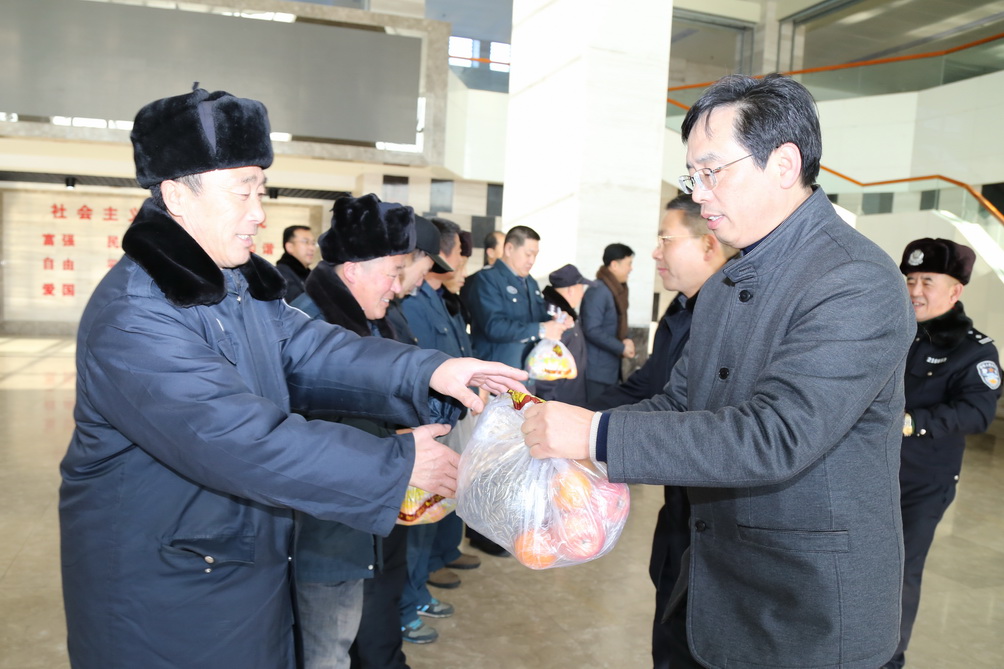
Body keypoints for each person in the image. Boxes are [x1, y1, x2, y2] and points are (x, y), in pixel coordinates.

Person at [58, 87, 527, 669]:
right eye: (242, 191)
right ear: (177, 194)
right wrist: (395, 464)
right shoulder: (135, 316)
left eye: (261, 190)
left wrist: (433, 370)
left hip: (236, 567)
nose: (259, 212)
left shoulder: (234, 287)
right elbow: (239, 441)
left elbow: (312, 349)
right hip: (164, 596)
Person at [521, 73, 915, 669]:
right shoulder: (728, 282)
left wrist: (595, 436)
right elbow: (680, 403)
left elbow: (775, 436)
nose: (699, 194)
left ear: (784, 164)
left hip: (806, 606)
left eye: (712, 172)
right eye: (692, 176)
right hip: (718, 579)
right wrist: (570, 435)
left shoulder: (854, 280)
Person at [586, 194, 735, 669]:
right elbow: (648, 388)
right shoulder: (682, 310)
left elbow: (705, 425)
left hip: (719, 524)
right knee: (668, 632)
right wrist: (570, 416)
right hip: (678, 514)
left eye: (665, 240)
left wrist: (591, 434)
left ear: (708, 244)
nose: (654, 253)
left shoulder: (735, 317)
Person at [882, 238, 1001, 669]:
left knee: (900, 571)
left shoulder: (974, 349)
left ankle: (888, 659)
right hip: (869, 473)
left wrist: (911, 421)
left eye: (927, 281)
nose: (915, 290)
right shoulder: (891, 330)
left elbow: (977, 412)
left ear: (955, 290)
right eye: (910, 279)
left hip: (922, 482)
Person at [398, 217, 481, 642]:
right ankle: (408, 601)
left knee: (431, 513)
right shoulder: (414, 302)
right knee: (417, 518)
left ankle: (417, 589)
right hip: (424, 422)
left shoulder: (430, 297)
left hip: (444, 416)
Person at [463, 225, 569, 555]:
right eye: (528, 253)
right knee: (488, 458)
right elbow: (493, 326)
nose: (532, 260)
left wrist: (557, 321)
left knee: (514, 458)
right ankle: (480, 532)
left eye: (536, 254)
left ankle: (503, 530)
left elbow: (539, 316)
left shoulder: (529, 283)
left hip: (521, 385)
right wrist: (540, 328)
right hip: (494, 384)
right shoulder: (486, 281)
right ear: (509, 249)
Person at [384, 215, 453, 347]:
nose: (419, 283)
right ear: (405, 259)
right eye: (423, 273)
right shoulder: (381, 308)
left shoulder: (393, 307)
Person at [580, 242, 636, 403]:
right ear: (614, 265)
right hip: (596, 372)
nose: (631, 268)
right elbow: (591, 329)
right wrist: (621, 347)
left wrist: (627, 339)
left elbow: (617, 322)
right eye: (628, 264)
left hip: (609, 370)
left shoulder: (617, 289)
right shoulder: (598, 290)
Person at [534, 263, 591, 406]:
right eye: (581, 289)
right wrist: (548, 405)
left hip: (569, 399)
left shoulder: (567, 313)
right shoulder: (556, 317)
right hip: (559, 403)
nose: (582, 294)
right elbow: (547, 367)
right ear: (571, 290)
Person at [275, 224, 316, 302]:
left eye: (313, 243)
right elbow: (298, 305)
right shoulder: (281, 274)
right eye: (305, 242)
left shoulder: (308, 274)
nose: (312, 248)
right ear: (290, 247)